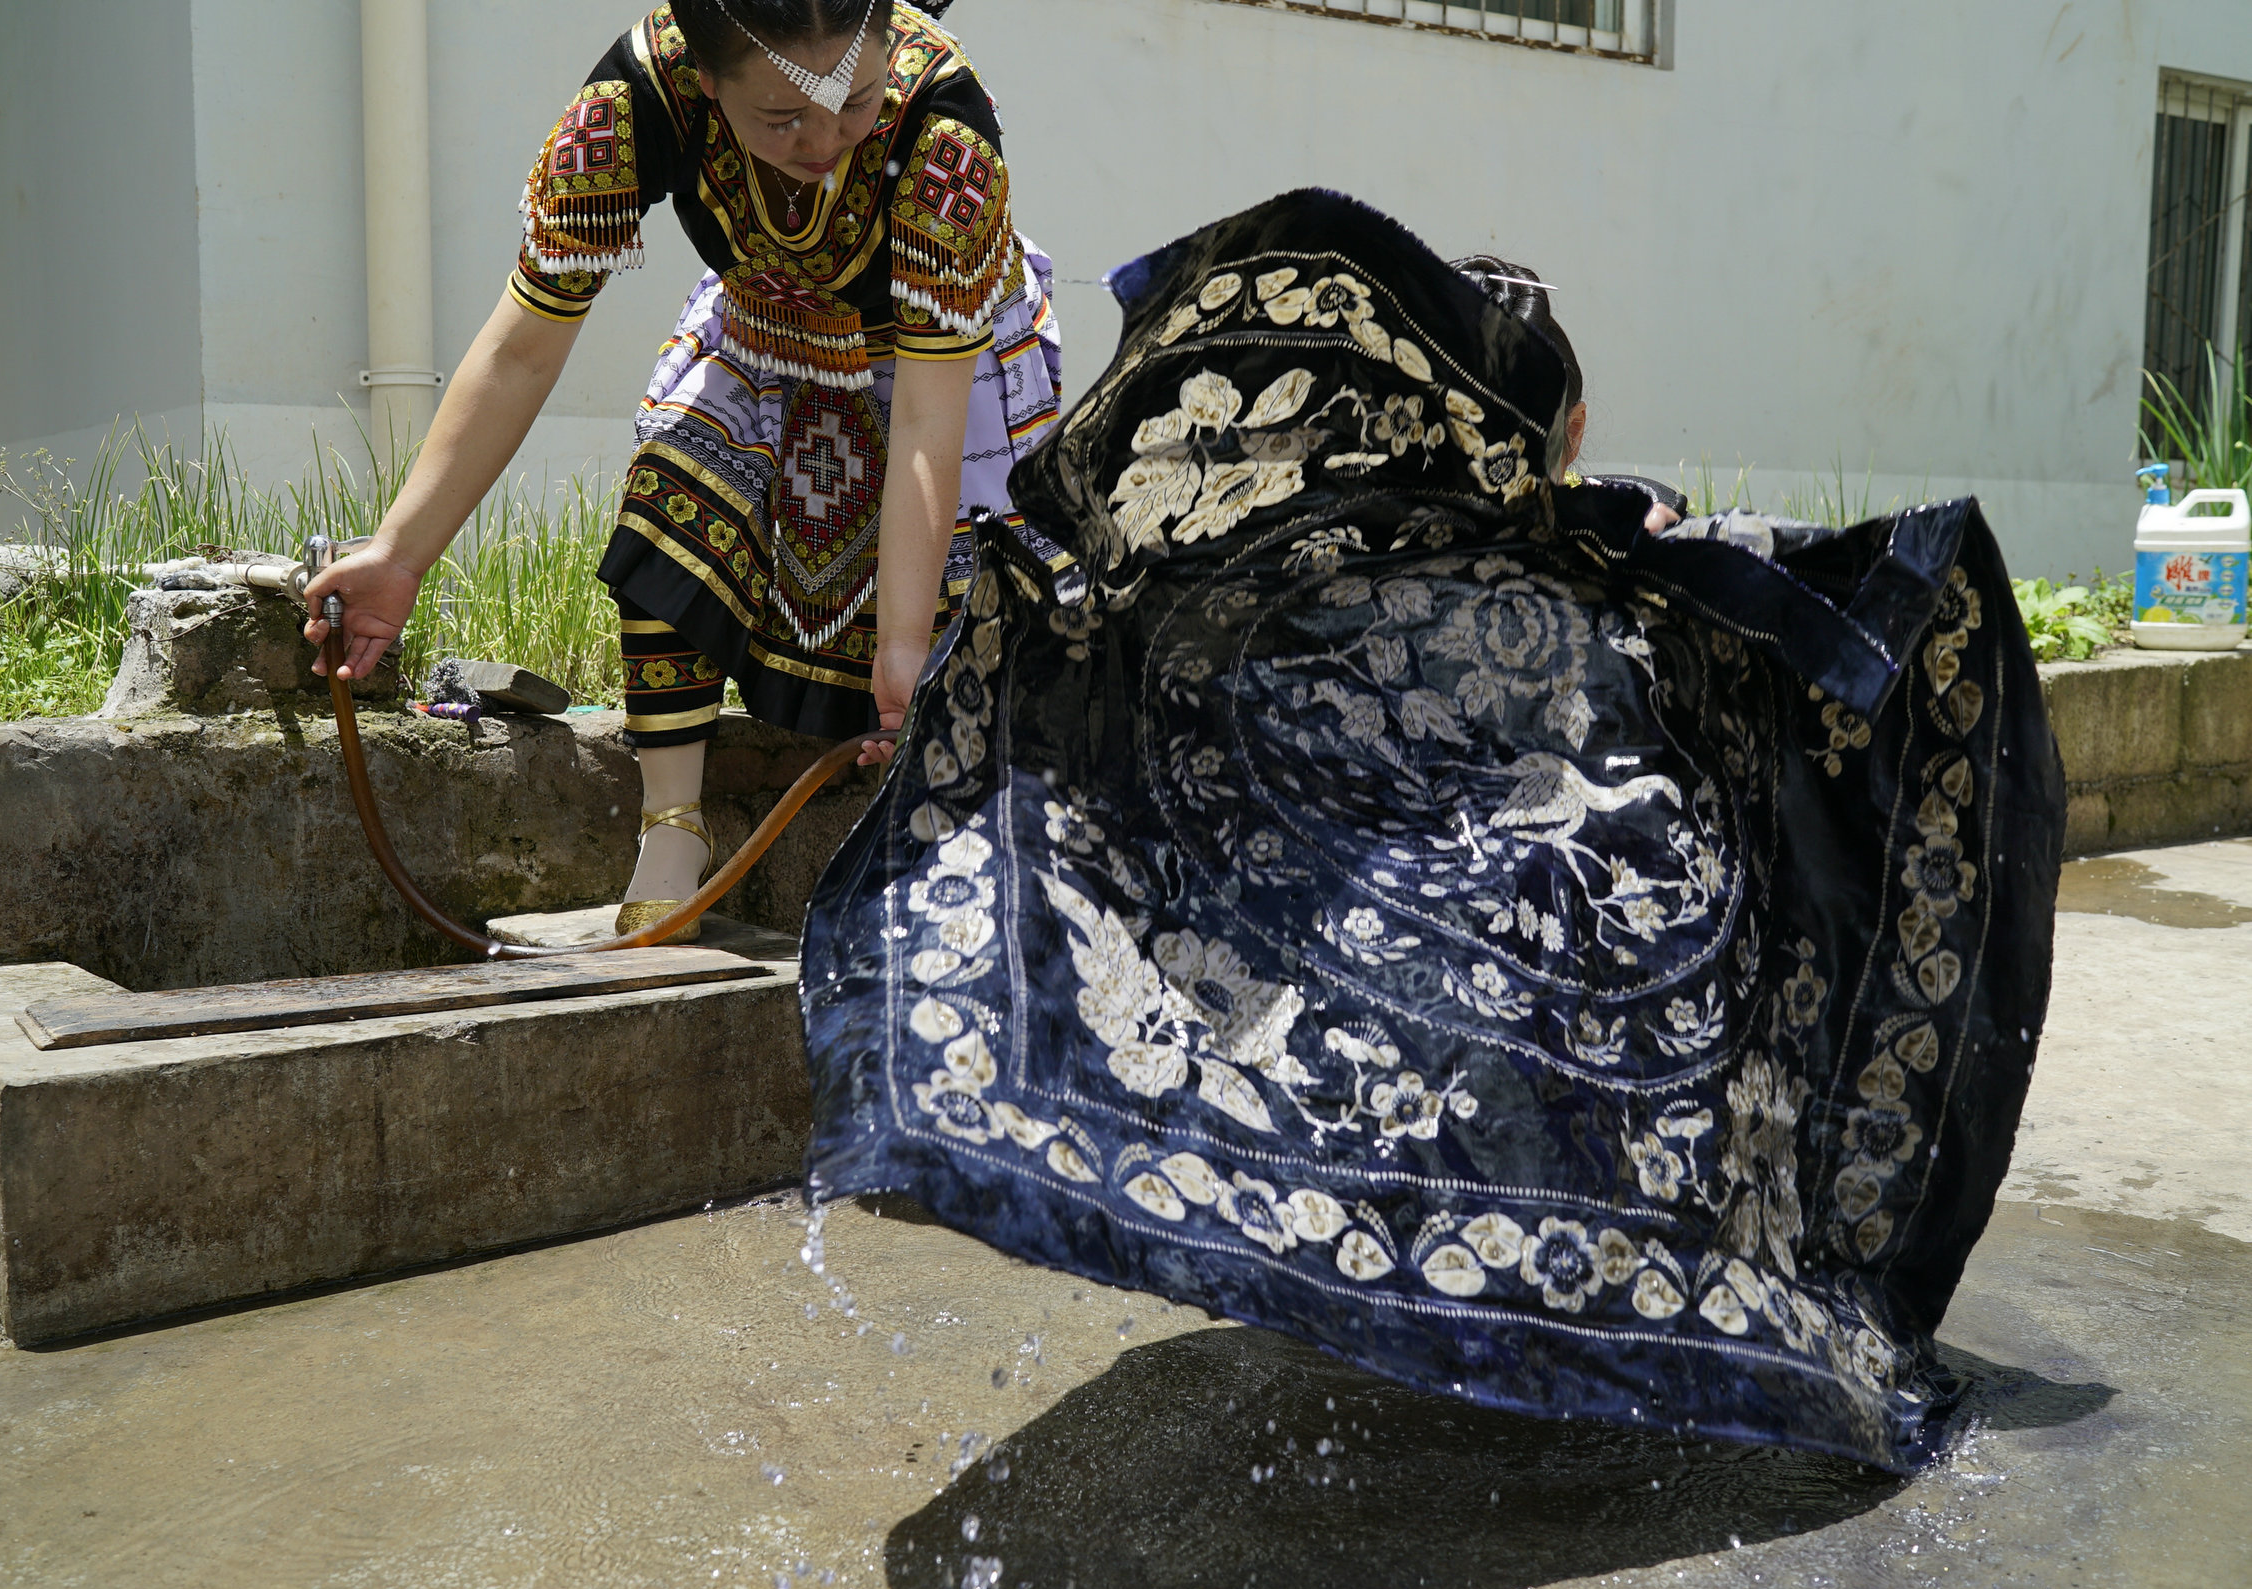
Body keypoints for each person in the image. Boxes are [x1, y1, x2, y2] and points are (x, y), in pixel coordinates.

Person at [800, 189, 2063, 1473]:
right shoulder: (1606, 579)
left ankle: (1408, 1272)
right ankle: (1552, 1297)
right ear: (1563, 424)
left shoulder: (1322, 574)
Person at [305, 0, 1061, 941]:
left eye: (857, 100)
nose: (826, 139)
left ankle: (949, 856)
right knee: (675, 483)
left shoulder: (945, 136)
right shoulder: (636, 100)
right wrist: (399, 555)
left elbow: (923, 423)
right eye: (781, 120)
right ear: (704, 83)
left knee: (960, 615)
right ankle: (670, 827)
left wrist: (903, 644)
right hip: (762, 325)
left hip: (933, 366)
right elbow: (522, 350)